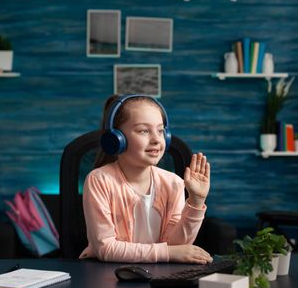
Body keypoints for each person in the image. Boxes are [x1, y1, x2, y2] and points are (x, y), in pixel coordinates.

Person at [79, 94, 213, 263]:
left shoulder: (173, 183)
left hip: (157, 276)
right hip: (109, 275)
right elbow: (106, 248)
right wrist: (168, 253)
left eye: (160, 130)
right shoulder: (99, 180)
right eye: (143, 131)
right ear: (117, 138)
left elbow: (177, 245)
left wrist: (196, 201)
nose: (157, 139)